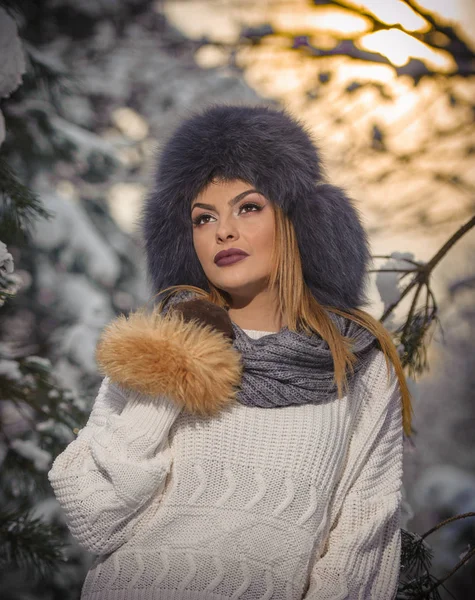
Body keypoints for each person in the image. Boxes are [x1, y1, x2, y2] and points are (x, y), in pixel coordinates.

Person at [48, 104, 413, 600]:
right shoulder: (160, 342)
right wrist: (176, 363)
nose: (223, 231)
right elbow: (94, 518)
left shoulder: (359, 366)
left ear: (297, 221)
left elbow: (360, 547)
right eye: (203, 217)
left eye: (248, 207)